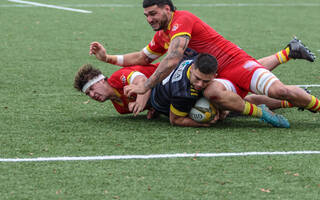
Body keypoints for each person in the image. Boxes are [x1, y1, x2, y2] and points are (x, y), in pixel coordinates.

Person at [89, 0, 318, 123]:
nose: (149, 19)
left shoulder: (182, 19)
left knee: (280, 90)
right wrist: (107, 57)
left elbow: (172, 58)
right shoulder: (161, 36)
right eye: (146, 15)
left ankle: (311, 103)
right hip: (212, 75)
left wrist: (145, 86)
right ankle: (266, 113)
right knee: (213, 94)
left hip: (234, 63)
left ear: (167, 9)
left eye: (153, 13)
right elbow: (141, 56)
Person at [75, 53, 291, 127]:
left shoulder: (116, 78)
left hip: (177, 79)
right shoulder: (119, 108)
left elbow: (142, 78)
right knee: (240, 95)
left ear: (101, 79)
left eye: (92, 88)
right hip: (174, 94)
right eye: (89, 94)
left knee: (242, 78)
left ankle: (285, 56)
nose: (93, 95)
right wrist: (151, 108)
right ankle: (288, 101)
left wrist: (143, 96)